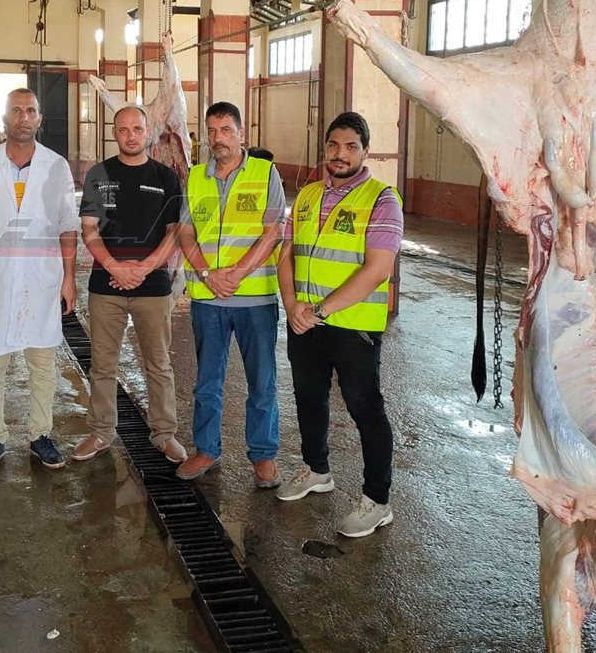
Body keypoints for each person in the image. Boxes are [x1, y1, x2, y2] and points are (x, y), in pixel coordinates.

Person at [275, 111, 403, 538]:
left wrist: (320, 310)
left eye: (350, 146)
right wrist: (292, 304)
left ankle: (377, 500)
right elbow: (286, 253)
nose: (340, 154)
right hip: (304, 322)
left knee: (365, 408)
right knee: (308, 398)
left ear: (365, 151)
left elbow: (378, 269)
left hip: (352, 326)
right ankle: (316, 470)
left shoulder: (382, 199)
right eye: (333, 145)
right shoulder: (308, 195)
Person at [0, 89, 79, 473]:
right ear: (5, 117)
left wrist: (69, 279)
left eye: (31, 111)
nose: (24, 117)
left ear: (39, 118)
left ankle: (40, 435)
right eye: (16, 111)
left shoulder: (56, 166)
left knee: (42, 364)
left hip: (42, 281)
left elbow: (67, 226)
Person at [176, 101, 285, 488]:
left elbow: (273, 231)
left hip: (254, 298)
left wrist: (235, 274)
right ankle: (207, 448)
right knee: (207, 379)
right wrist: (208, 275)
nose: (218, 138)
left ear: (242, 133)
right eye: (212, 131)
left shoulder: (264, 172)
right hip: (208, 299)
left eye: (226, 130)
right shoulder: (195, 177)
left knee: (262, 380)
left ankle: (264, 454)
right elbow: (185, 232)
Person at [73, 105, 186, 464]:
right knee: (103, 364)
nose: (131, 135)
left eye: (137, 128)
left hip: (153, 287)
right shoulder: (99, 174)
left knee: (159, 363)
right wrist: (114, 267)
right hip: (106, 285)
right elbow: (89, 229)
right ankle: (101, 431)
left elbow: (174, 233)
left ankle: (164, 433)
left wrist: (146, 267)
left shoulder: (166, 177)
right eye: (123, 130)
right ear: (114, 133)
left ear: (147, 132)